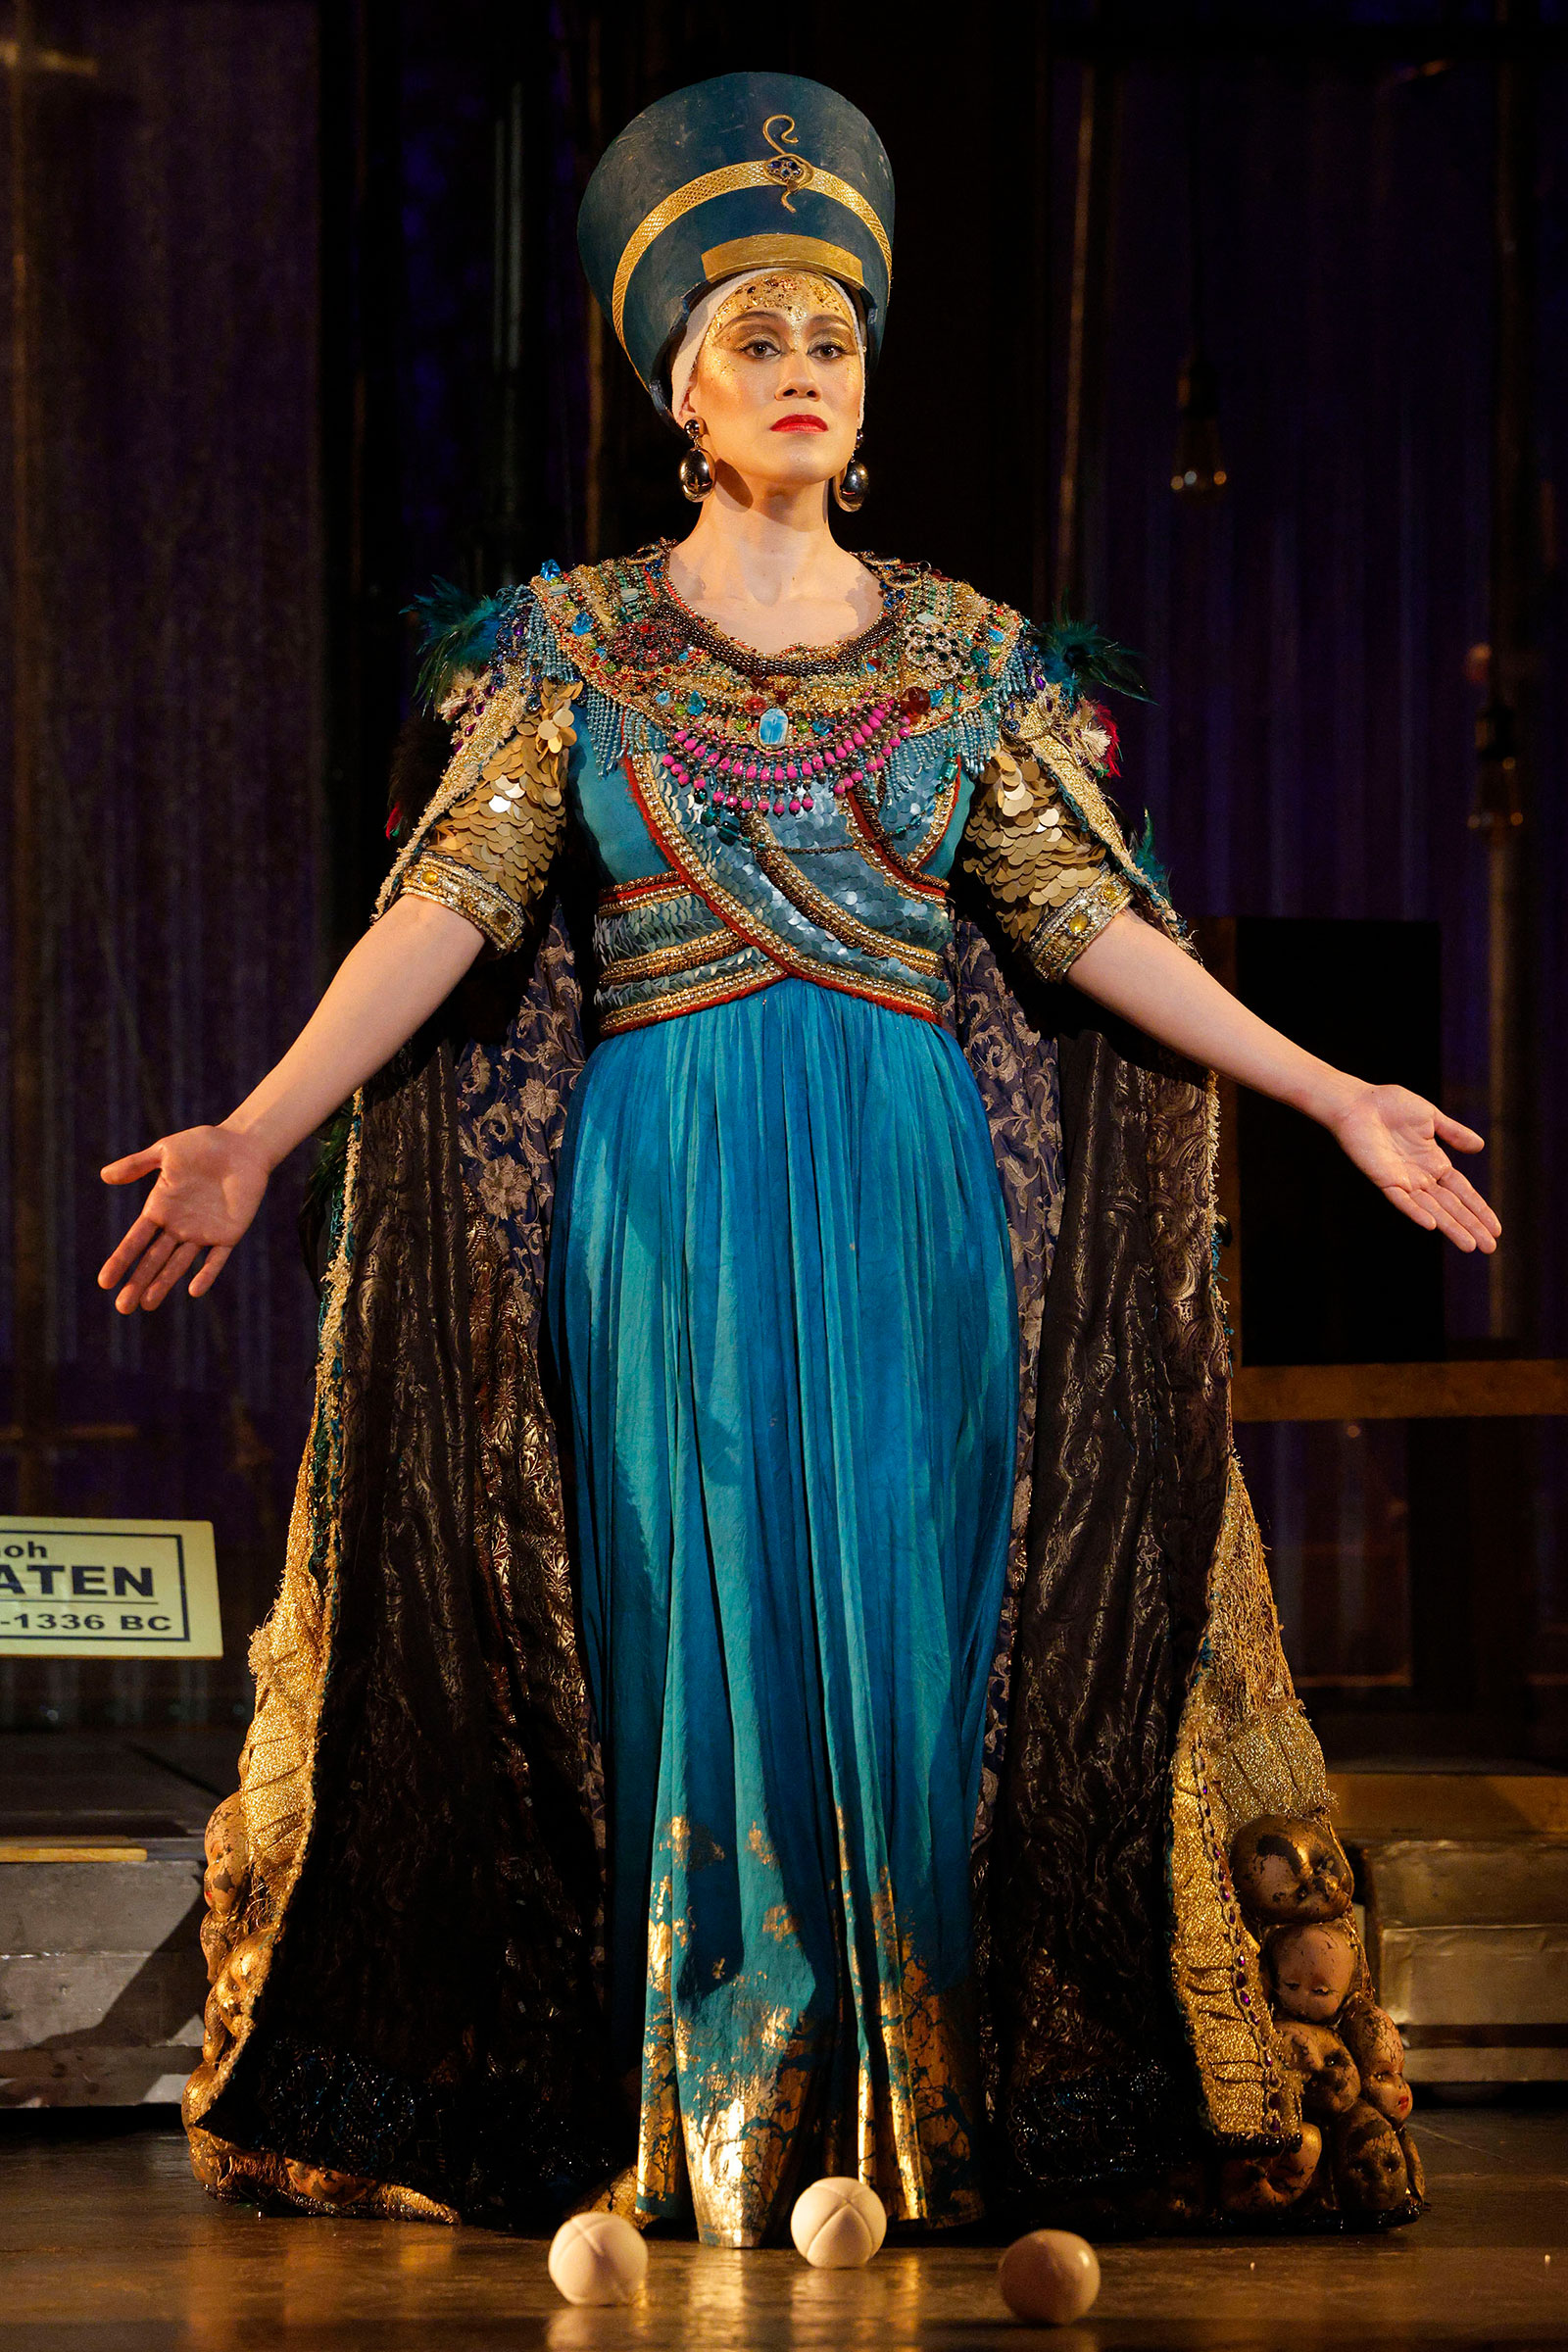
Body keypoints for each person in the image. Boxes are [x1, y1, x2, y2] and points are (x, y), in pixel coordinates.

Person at [99, 74, 1495, 2246]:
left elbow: (1090, 922)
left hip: (916, 1196)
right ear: (679, 389)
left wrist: (1329, 1092)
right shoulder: (571, 647)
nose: (800, 371)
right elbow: (445, 910)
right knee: (694, 1612)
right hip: (666, 1193)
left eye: (830, 337)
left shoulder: (961, 657)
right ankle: (713, 2109)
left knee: (926, 1626)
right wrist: (258, 1130)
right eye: (753, 338)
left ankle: (915, 2110)